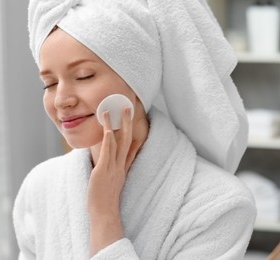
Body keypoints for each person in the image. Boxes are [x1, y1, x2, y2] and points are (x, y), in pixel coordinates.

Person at [13, 0, 257, 259]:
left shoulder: (219, 204)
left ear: (138, 79)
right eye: (49, 84)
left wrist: (104, 215)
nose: (61, 100)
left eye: (84, 75)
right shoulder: (40, 187)